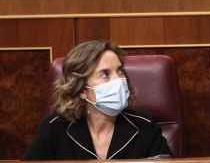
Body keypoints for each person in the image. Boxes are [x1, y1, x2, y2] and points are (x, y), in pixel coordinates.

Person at [24, 40, 171, 160]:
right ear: (82, 89)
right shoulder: (54, 128)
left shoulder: (145, 127)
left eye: (120, 71)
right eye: (105, 74)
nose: (119, 80)